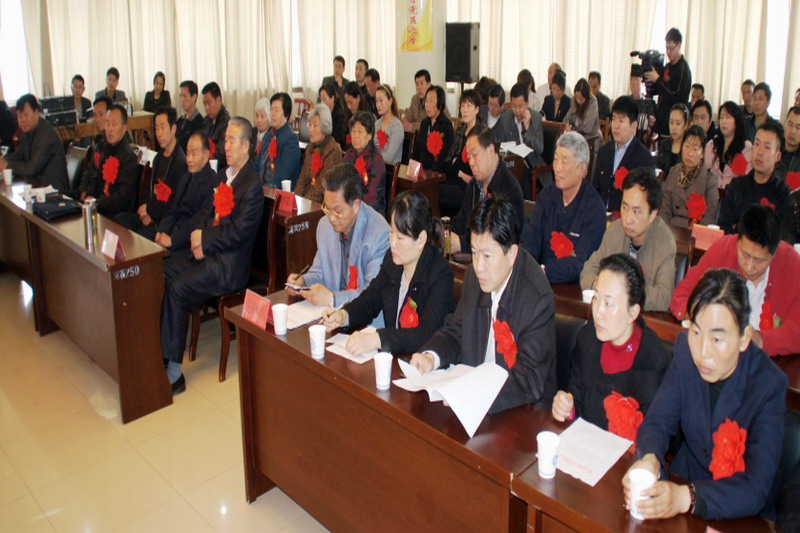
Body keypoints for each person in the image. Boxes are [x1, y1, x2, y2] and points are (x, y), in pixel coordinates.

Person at [627, 268, 787, 520]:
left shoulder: (768, 385)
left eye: (717, 339)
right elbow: (658, 421)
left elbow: (756, 486)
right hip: (685, 479)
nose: (702, 352)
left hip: (740, 512)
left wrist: (688, 497)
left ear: (744, 337)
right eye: (696, 331)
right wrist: (650, 459)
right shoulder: (685, 351)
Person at [410, 196, 557, 414]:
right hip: (472, 405)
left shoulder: (536, 298)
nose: (478, 266)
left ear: (512, 253)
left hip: (522, 412)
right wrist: (431, 357)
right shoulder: (474, 278)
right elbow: (456, 331)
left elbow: (530, 380)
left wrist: (475, 394)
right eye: (474, 252)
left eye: (487, 256)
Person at [160, 117, 264, 393]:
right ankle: (160, 351)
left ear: (246, 146)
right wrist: (197, 236)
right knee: (160, 272)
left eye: (231, 141)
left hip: (228, 265)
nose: (225, 146)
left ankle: (174, 374)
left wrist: (204, 240)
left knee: (177, 288)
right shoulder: (223, 176)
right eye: (225, 140)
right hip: (207, 253)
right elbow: (207, 213)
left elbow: (238, 233)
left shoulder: (251, 186)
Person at [321, 191, 454, 355]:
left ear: (421, 239)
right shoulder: (393, 261)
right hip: (396, 358)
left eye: (400, 237)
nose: (392, 243)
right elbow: (370, 299)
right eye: (391, 232)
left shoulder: (440, 274)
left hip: (424, 363)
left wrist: (377, 339)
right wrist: (343, 315)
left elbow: (425, 334)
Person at [552, 254, 670, 439]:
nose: (598, 312)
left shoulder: (652, 360)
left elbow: (654, 434)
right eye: (596, 298)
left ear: (633, 312)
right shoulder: (587, 339)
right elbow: (576, 399)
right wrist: (566, 407)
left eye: (608, 303)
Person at [671, 204, 800, 356]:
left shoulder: (791, 264)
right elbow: (682, 295)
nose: (750, 266)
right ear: (738, 241)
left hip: (767, 360)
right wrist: (701, 317)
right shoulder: (723, 250)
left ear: (774, 254)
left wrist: (761, 340)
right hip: (716, 353)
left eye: (759, 260)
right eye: (745, 255)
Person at [286, 163, 390, 313]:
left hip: (364, 319)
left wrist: (332, 298)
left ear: (356, 205)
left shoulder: (379, 235)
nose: (331, 218)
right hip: (330, 315)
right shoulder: (324, 226)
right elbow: (319, 273)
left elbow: (372, 295)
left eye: (337, 211)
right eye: (327, 208)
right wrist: (303, 282)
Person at [582, 168, 676, 311]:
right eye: (625, 207)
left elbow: (663, 297)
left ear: (653, 214)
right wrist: (600, 286)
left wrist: (622, 292)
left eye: (636, 211)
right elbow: (588, 271)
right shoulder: (615, 231)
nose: (628, 219)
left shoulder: (665, 243)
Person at [521, 132, 606, 284]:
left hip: (573, 286)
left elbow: (582, 260)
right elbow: (531, 237)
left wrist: (545, 271)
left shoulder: (594, 209)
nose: (557, 168)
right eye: (555, 159)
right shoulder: (547, 195)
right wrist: (524, 265)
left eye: (565, 161)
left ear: (582, 169)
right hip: (538, 278)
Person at [450, 126, 525, 255]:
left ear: (490, 150)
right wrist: (445, 232)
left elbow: (499, 242)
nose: (471, 163)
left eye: (475, 155)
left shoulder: (509, 190)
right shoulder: (473, 185)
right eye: (468, 157)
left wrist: (461, 244)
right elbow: (460, 222)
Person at [115, 106, 187, 240]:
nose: (159, 133)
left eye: (162, 127)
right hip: (149, 212)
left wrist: (150, 211)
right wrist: (145, 211)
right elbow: (147, 190)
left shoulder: (180, 163)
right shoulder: (158, 157)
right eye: (156, 128)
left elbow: (173, 205)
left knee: (139, 237)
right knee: (120, 220)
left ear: (173, 129)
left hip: (164, 221)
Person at [717, 122, 790, 234]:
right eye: (757, 144)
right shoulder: (736, 185)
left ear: (777, 156)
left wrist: (738, 227)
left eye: (767, 147)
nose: (759, 152)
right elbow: (723, 227)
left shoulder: (783, 194)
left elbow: (780, 236)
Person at [156, 131, 221, 252]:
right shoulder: (185, 177)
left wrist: (173, 240)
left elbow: (199, 219)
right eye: (187, 153)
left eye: (194, 154)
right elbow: (173, 208)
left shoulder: (213, 182)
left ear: (206, 154)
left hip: (187, 242)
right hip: (172, 232)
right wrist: (161, 231)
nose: (189, 159)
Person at [592, 96, 655, 211]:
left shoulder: (644, 158)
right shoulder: (604, 151)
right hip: (600, 214)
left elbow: (646, 200)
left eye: (621, 120)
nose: (616, 125)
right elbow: (595, 189)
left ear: (634, 126)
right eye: (614, 119)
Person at [0, 94, 68, 192]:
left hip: (53, 190)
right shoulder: (27, 133)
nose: (22, 120)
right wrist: (3, 160)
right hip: (36, 186)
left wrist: (6, 165)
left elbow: (31, 168)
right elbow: (18, 155)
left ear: (36, 112)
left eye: (26, 115)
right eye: (19, 116)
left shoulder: (46, 134)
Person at [83, 104, 139, 217]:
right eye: (107, 123)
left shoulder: (129, 158)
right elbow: (96, 177)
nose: (109, 129)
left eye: (114, 124)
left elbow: (121, 199)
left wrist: (97, 202)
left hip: (117, 214)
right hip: (101, 208)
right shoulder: (106, 149)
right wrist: (90, 195)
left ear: (124, 128)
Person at [660, 125, 719, 228]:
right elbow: (664, 209)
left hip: (695, 232)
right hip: (671, 230)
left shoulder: (709, 179)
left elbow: (709, 218)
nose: (690, 153)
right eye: (687, 146)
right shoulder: (674, 171)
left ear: (702, 153)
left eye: (695, 149)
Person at [495, 82, 546, 196]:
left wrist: (528, 129)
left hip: (532, 164)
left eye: (520, 106)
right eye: (514, 106)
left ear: (527, 103)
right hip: (512, 162)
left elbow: (539, 148)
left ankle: (524, 204)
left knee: (522, 173)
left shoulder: (536, 118)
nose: (517, 110)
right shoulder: (505, 119)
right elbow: (500, 146)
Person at [441, 89, 482, 216]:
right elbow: (447, 162)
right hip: (456, 180)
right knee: (432, 188)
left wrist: (456, 163)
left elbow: (476, 170)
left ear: (477, 109)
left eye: (469, 106)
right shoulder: (460, 131)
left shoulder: (480, 134)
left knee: (436, 192)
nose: (464, 110)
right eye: (462, 106)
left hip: (470, 188)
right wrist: (461, 173)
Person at [644, 28, 692, 137]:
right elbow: (659, 90)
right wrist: (650, 81)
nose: (668, 52)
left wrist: (657, 80)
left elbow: (676, 97)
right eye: (666, 48)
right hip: (662, 122)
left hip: (676, 124)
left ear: (679, 45)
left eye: (671, 48)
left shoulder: (683, 69)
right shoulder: (667, 66)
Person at [295, 104, 343, 203]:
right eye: (309, 124)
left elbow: (320, 189)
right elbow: (302, 180)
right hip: (307, 201)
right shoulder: (310, 148)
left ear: (325, 127)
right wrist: (295, 200)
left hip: (323, 204)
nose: (310, 129)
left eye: (315, 125)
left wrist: (304, 204)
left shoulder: (332, 151)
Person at [343, 111, 385, 215]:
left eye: (360, 131)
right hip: (348, 209)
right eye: (353, 131)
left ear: (370, 135)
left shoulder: (376, 160)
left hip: (370, 214)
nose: (355, 136)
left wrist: (350, 210)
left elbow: (372, 199)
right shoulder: (348, 155)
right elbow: (341, 184)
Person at [705, 101, 752, 189]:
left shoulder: (746, 148)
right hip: (713, 193)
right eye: (721, 117)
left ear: (737, 120)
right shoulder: (712, 145)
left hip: (735, 194)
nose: (723, 121)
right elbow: (704, 171)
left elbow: (746, 180)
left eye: (728, 117)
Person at [260, 92, 301, 187]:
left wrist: (265, 189)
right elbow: (258, 164)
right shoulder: (269, 134)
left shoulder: (290, 140)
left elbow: (283, 175)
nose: (273, 114)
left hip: (277, 190)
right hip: (261, 188)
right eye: (271, 109)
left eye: (277, 110)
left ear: (286, 114)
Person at [411, 85, 454, 173]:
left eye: (431, 101)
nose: (427, 105)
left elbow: (444, 156)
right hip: (421, 171)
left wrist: (430, 174)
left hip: (437, 173)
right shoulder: (424, 123)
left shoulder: (446, 125)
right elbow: (417, 150)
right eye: (426, 101)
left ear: (440, 104)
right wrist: (412, 168)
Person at [564, 78, 602, 156]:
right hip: (575, 137)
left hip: (592, 138)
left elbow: (587, 128)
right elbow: (567, 118)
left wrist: (572, 129)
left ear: (587, 97)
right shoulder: (574, 100)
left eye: (581, 99)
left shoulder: (592, 102)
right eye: (577, 97)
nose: (578, 101)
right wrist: (567, 124)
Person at [201, 82, 231, 169]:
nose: (206, 108)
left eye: (209, 103)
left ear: (219, 99)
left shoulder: (226, 122)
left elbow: (221, 153)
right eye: (204, 104)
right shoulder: (206, 121)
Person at [655, 103, 689, 174]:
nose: (674, 127)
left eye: (678, 123)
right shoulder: (664, 144)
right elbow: (658, 168)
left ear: (685, 125)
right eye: (671, 122)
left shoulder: (688, 148)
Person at [373, 85, 403, 165]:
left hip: (389, 169)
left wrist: (371, 159)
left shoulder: (397, 126)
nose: (378, 105)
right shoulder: (376, 124)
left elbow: (389, 157)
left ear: (390, 101)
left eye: (381, 100)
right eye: (376, 101)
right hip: (375, 165)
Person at [175, 80, 204, 153]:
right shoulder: (180, 121)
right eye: (180, 96)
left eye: (184, 96)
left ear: (194, 97)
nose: (182, 99)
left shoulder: (200, 123)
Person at [629, 67, 656, 143]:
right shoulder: (627, 101)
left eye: (637, 85)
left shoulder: (648, 103)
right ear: (630, 85)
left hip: (642, 137)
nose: (635, 88)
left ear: (642, 85)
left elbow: (652, 123)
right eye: (633, 85)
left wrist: (651, 124)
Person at [319, 82, 347, 149]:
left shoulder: (339, 116)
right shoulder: (323, 114)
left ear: (332, 98)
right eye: (321, 99)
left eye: (324, 99)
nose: (322, 103)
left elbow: (336, 139)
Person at [778, 105, 800, 180]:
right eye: (790, 124)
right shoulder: (774, 149)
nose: (793, 131)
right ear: (785, 124)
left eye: (798, 127)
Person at [252, 98, 270, 178]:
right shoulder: (252, 131)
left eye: (262, 116)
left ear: (269, 117)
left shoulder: (271, 135)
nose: (259, 120)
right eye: (257, 116)